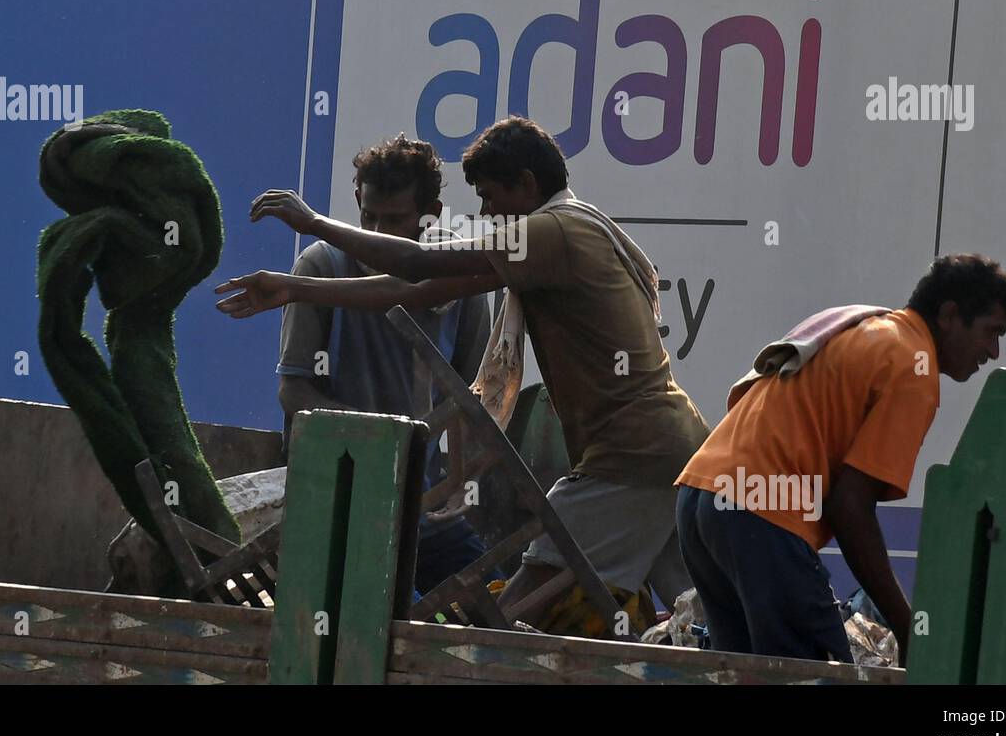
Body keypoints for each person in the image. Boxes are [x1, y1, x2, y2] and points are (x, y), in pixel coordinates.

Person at [218, 117, 711, 624]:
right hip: (675, 448)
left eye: (491, 195)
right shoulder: (569, 229)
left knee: (505, 621)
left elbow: (414, 267)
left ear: (526, 184)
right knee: (698, 621)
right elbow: (414, 292)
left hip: (631, 455)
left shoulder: (551, 232)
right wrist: (295, 289)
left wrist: (314, 222)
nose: (485, 211)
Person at [674, 254, 1006, 663]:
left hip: (701, 499)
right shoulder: (914, 366)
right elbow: (850, 508)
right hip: (759, 513)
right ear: (949, 315)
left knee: (746, 672)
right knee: (816, 675)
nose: (994, 351)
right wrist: (907, 628)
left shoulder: (857, 323)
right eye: (990, 332)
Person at [262, 134, 493, 595]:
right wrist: (379, 445)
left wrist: (459, 479)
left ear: (429, 212)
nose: (377, 231)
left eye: (394, 221)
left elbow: (472, 396)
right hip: (338, 500)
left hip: (421, 505)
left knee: (496, 602)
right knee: (384, 613)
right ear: (356, 202)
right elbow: (294, 390)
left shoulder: (458, 275)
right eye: (369, 216)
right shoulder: (321, 266)